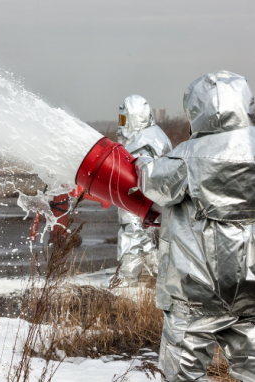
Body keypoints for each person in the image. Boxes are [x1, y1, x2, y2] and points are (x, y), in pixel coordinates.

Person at [136, 71, 255, 382]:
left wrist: (139, 163)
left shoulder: (186, 157)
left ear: (196, 110)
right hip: (252, 290)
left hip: (196, 292)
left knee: (181, 374)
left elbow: (151, 184)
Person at [102, 95, 172, 288]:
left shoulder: (143, 140)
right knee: (145, 237)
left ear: (134, 118)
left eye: (125, 119)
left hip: (137, 198)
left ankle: (128, 278)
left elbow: (138, 171)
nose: (122, 124)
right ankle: (158, 275)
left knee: (131, 233)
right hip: (150, 200)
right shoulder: (154, 135)